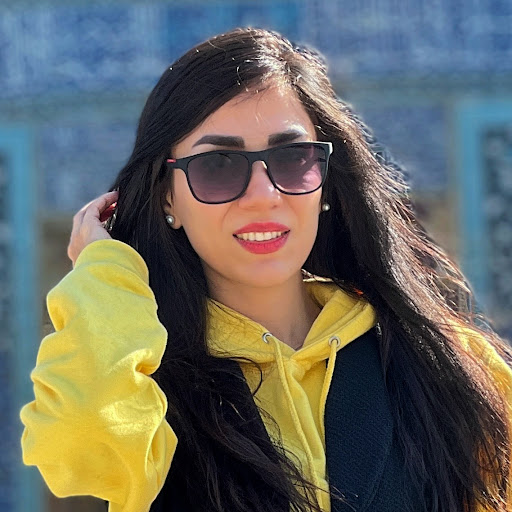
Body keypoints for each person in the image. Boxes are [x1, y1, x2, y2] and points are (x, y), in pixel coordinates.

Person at [20, 28, 511, 512]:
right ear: (168, 198)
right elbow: (81, 448)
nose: (264, 195)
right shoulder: (146, 389)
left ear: (324, 182)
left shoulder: (444, 364)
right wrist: (107, 270)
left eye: (292, 158)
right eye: (218, 165)